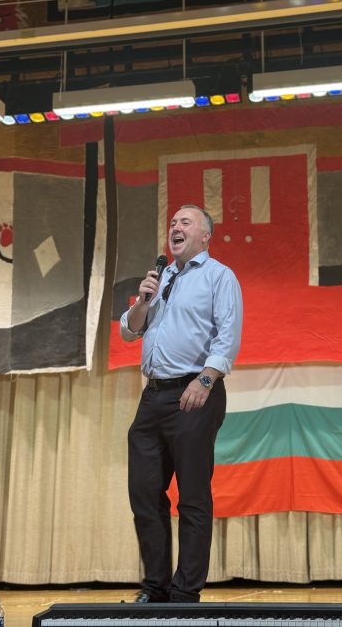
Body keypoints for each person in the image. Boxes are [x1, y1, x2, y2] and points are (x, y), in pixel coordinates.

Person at [120, 204, 243, 603]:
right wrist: (143, 300)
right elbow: (129, 331)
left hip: (194, 393)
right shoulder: (161, 278)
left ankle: (185, 591)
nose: (175, 227)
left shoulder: (219, 276)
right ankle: (155, 587)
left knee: (192, 496)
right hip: (153, 395)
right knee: (144, 493)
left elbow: (228, 336)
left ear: (205, 235)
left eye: (185, 222)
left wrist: (205, 380)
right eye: (172, 222)